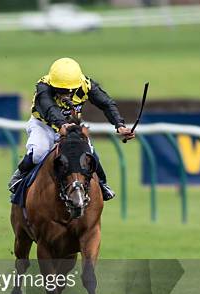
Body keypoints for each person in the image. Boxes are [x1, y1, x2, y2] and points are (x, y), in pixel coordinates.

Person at [8, 57, 135, 201]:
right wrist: (62, 124)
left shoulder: (86, 85)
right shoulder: (43, 86)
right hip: (43, 125)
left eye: (69, 91)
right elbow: (49, 108)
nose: (65, 94)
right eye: (60, 90)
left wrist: (120, 125)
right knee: (39, 151)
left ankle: (102, 183)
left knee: (89, 152)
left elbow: (106, 104)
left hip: (71, 127)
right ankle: (20, 176)